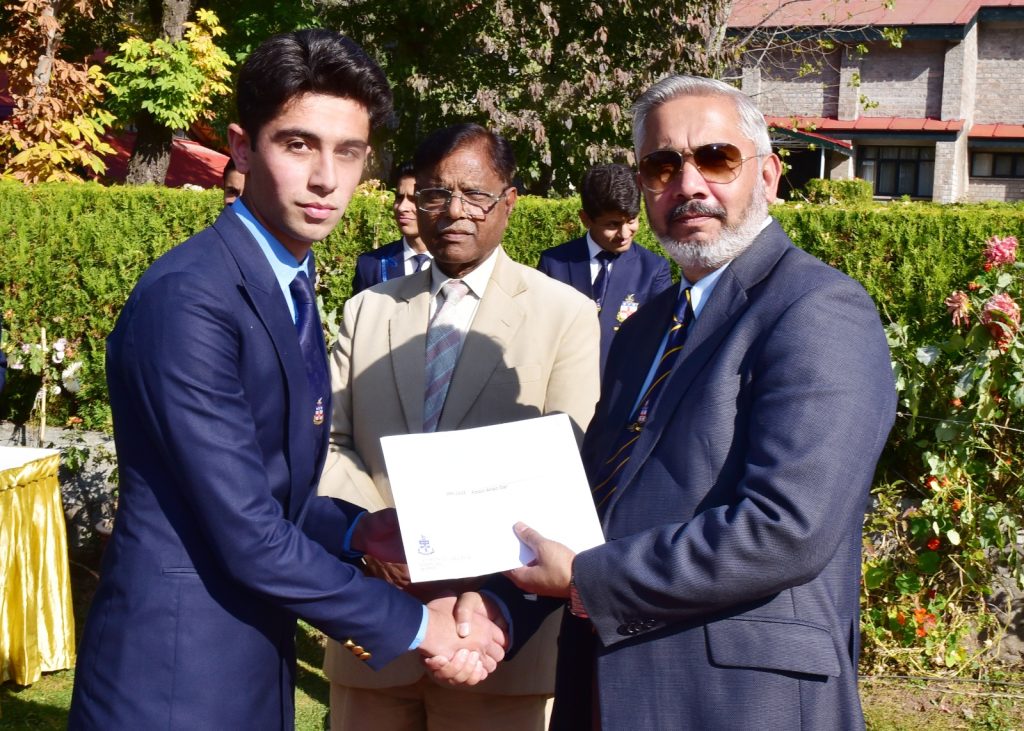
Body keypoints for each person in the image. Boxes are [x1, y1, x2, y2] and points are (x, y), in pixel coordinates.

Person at [68, 30, 505, 730]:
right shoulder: (191, 298)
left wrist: (362, 530)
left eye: (349, 151)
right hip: (174, 678)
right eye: (299, 145)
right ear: (242, 149)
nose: (327, 178)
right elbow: (247, 531)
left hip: (244, 659)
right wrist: (420, 626)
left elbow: (274, 491)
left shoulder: (286, 282)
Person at [502, 74, 897, 729]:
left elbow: (785, 527)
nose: (688, 184)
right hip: (607, 685)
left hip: (742, 701)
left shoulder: (817, 309)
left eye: (716, 158)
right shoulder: (642, 330)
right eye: (662, 166)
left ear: (768, 177)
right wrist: (495, 601)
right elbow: (596, 503)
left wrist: (588, 579)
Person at [319, 122, 600, 731]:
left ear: (509, 201)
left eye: (475, 194)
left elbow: (568, 465)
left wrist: (478, 588)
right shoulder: (367, 310)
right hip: (376, 626)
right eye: (435, 193)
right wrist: (381, 539)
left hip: (492, 641)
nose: (454, 211)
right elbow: (331, 443)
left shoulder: (566, 315)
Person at [537, 163, 672, 371]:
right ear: (585, 219)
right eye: (612, 225)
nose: (624, 234)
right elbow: (540, 334)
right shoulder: (554, 263)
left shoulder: (653, 269)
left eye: (632, 221)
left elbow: (657, 341)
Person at [351, 161, 431, 294]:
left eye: (413, 199)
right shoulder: (371, 266)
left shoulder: (456, 264)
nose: (402, 207)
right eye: (399, 198)